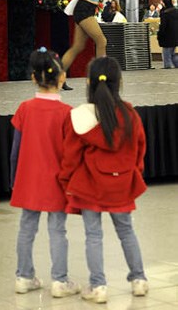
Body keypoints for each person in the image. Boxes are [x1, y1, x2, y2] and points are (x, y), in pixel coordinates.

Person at [58, 56, 148, 304]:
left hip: (90, 187)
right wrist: (134, 172)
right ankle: (139, 279)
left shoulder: (80, 117)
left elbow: (71, 156)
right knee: (127, 232)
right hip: (122, 185)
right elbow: (139, 148)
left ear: (88, 82)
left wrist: (66, 181)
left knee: (93, 236)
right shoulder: (130, 114)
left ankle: (98, 287)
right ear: (119, 82)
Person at [10, 47, 80, 297]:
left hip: (28, 180)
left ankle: (23, 276)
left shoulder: (24, 109)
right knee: (57, 230)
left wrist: (14, 181)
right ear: (62, 78)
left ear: (33, 78)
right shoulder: (66, 113)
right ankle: (60, 281)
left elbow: (15, 152)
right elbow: (72, 155)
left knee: (26, 228)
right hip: (57, 182)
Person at [157, 0, 178, 68]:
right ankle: (176, 64)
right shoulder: (176, 11)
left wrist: (160, 34)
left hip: (167, 36)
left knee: (166, 53)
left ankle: (168, 65)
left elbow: (163, 26)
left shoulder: (165, 13)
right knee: (172, 53)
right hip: (175, 36)